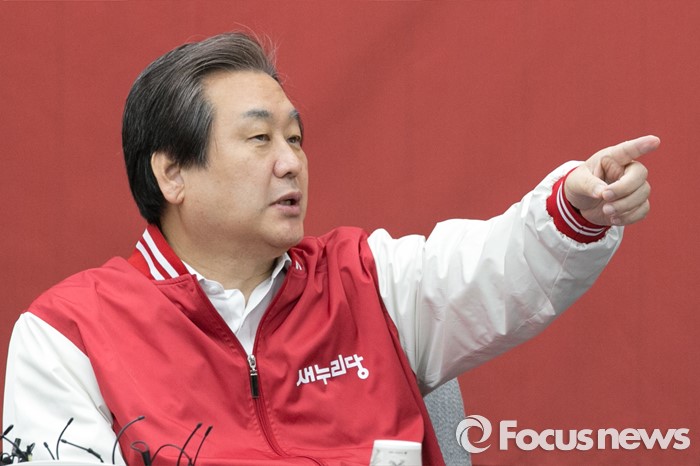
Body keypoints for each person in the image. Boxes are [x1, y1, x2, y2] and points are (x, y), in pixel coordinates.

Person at [2, 32, 658, 466]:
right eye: (260, 139)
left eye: (296, 138)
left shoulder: (367, 281)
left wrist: (574, 207)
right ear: (172, 173)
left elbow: (493, 268)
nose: (291, 163)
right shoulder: (69, 335)